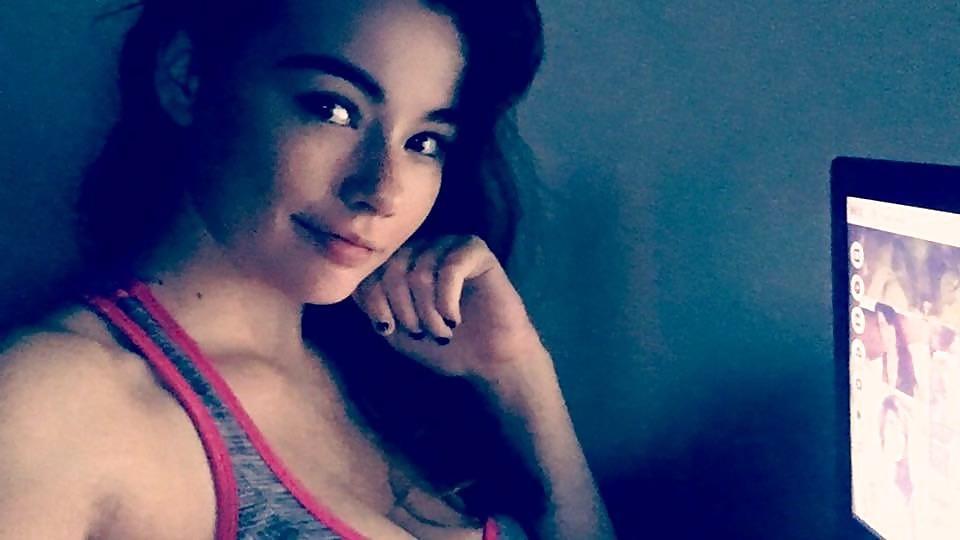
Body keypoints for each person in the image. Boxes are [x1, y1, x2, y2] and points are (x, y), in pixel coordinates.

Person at [0, 1, 616, 538]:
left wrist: (519, 376)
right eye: (333, 109)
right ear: (187, 76)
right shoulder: (58, 399)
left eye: (425, 142)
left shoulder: (395, 377)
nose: (382, 191)